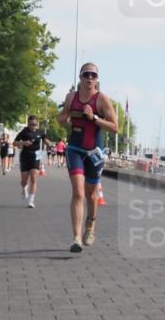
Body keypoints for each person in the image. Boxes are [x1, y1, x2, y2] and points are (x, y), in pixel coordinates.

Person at [58, 62, 118, 252]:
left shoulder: (102, 99)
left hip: (94, 151)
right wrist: (65, 116)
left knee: (92, 194)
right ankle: (76, 237)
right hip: (75, 148)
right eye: (86, 75)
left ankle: (90, 225)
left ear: (97, 79)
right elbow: (60, 120)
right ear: (80, 77)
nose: (90, 78)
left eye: (93, 75)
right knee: (78, 192)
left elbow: (115, 127)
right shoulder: (71, 97)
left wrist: (94, 119)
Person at [14, 115, 49, 207]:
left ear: (37, 124)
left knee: (34, 178)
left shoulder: (40, 132)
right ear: (28, 124)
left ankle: (31, 201)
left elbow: (45, 139)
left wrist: (49, 143)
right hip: (25, 156)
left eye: (34, 124)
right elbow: (14, 142)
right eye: (31, 124)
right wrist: (23, 143)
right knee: (24, 181)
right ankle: (24, 188)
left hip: (36, 156)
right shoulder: (24, 132)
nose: (33, 126)